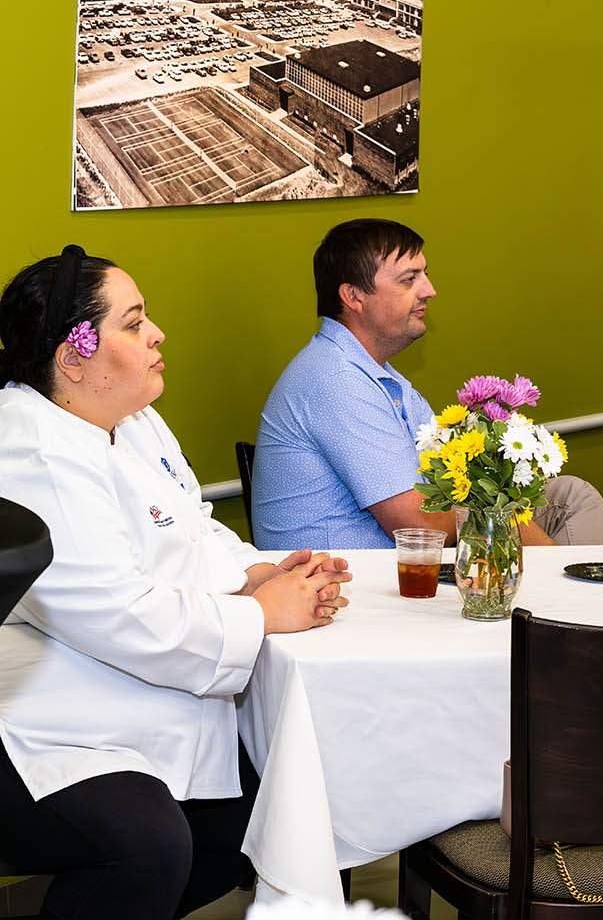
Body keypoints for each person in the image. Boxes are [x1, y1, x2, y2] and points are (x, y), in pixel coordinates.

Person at [0, 246, 350, 919]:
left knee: (261, 821)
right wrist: (264, 615)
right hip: (43, 724)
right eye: (133, 323)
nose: (157, 332)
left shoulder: (127, 417)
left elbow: (191, 522)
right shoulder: (33, 454)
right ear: (74, 357)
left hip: (127, 689)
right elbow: (122, 615)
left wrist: (260, 572)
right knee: (151, 846)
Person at [252, 220, 600, 549]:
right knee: (528, 528)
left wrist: (502, 505)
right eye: (409, 280)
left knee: (570, 496)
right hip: (352, 592)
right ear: (354, 297)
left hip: (407, 566)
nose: (429, 291)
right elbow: (421, 524)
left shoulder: (377, 375)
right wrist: (509, 520)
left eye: (425, 274)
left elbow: (449, 474)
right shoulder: (336, 381)